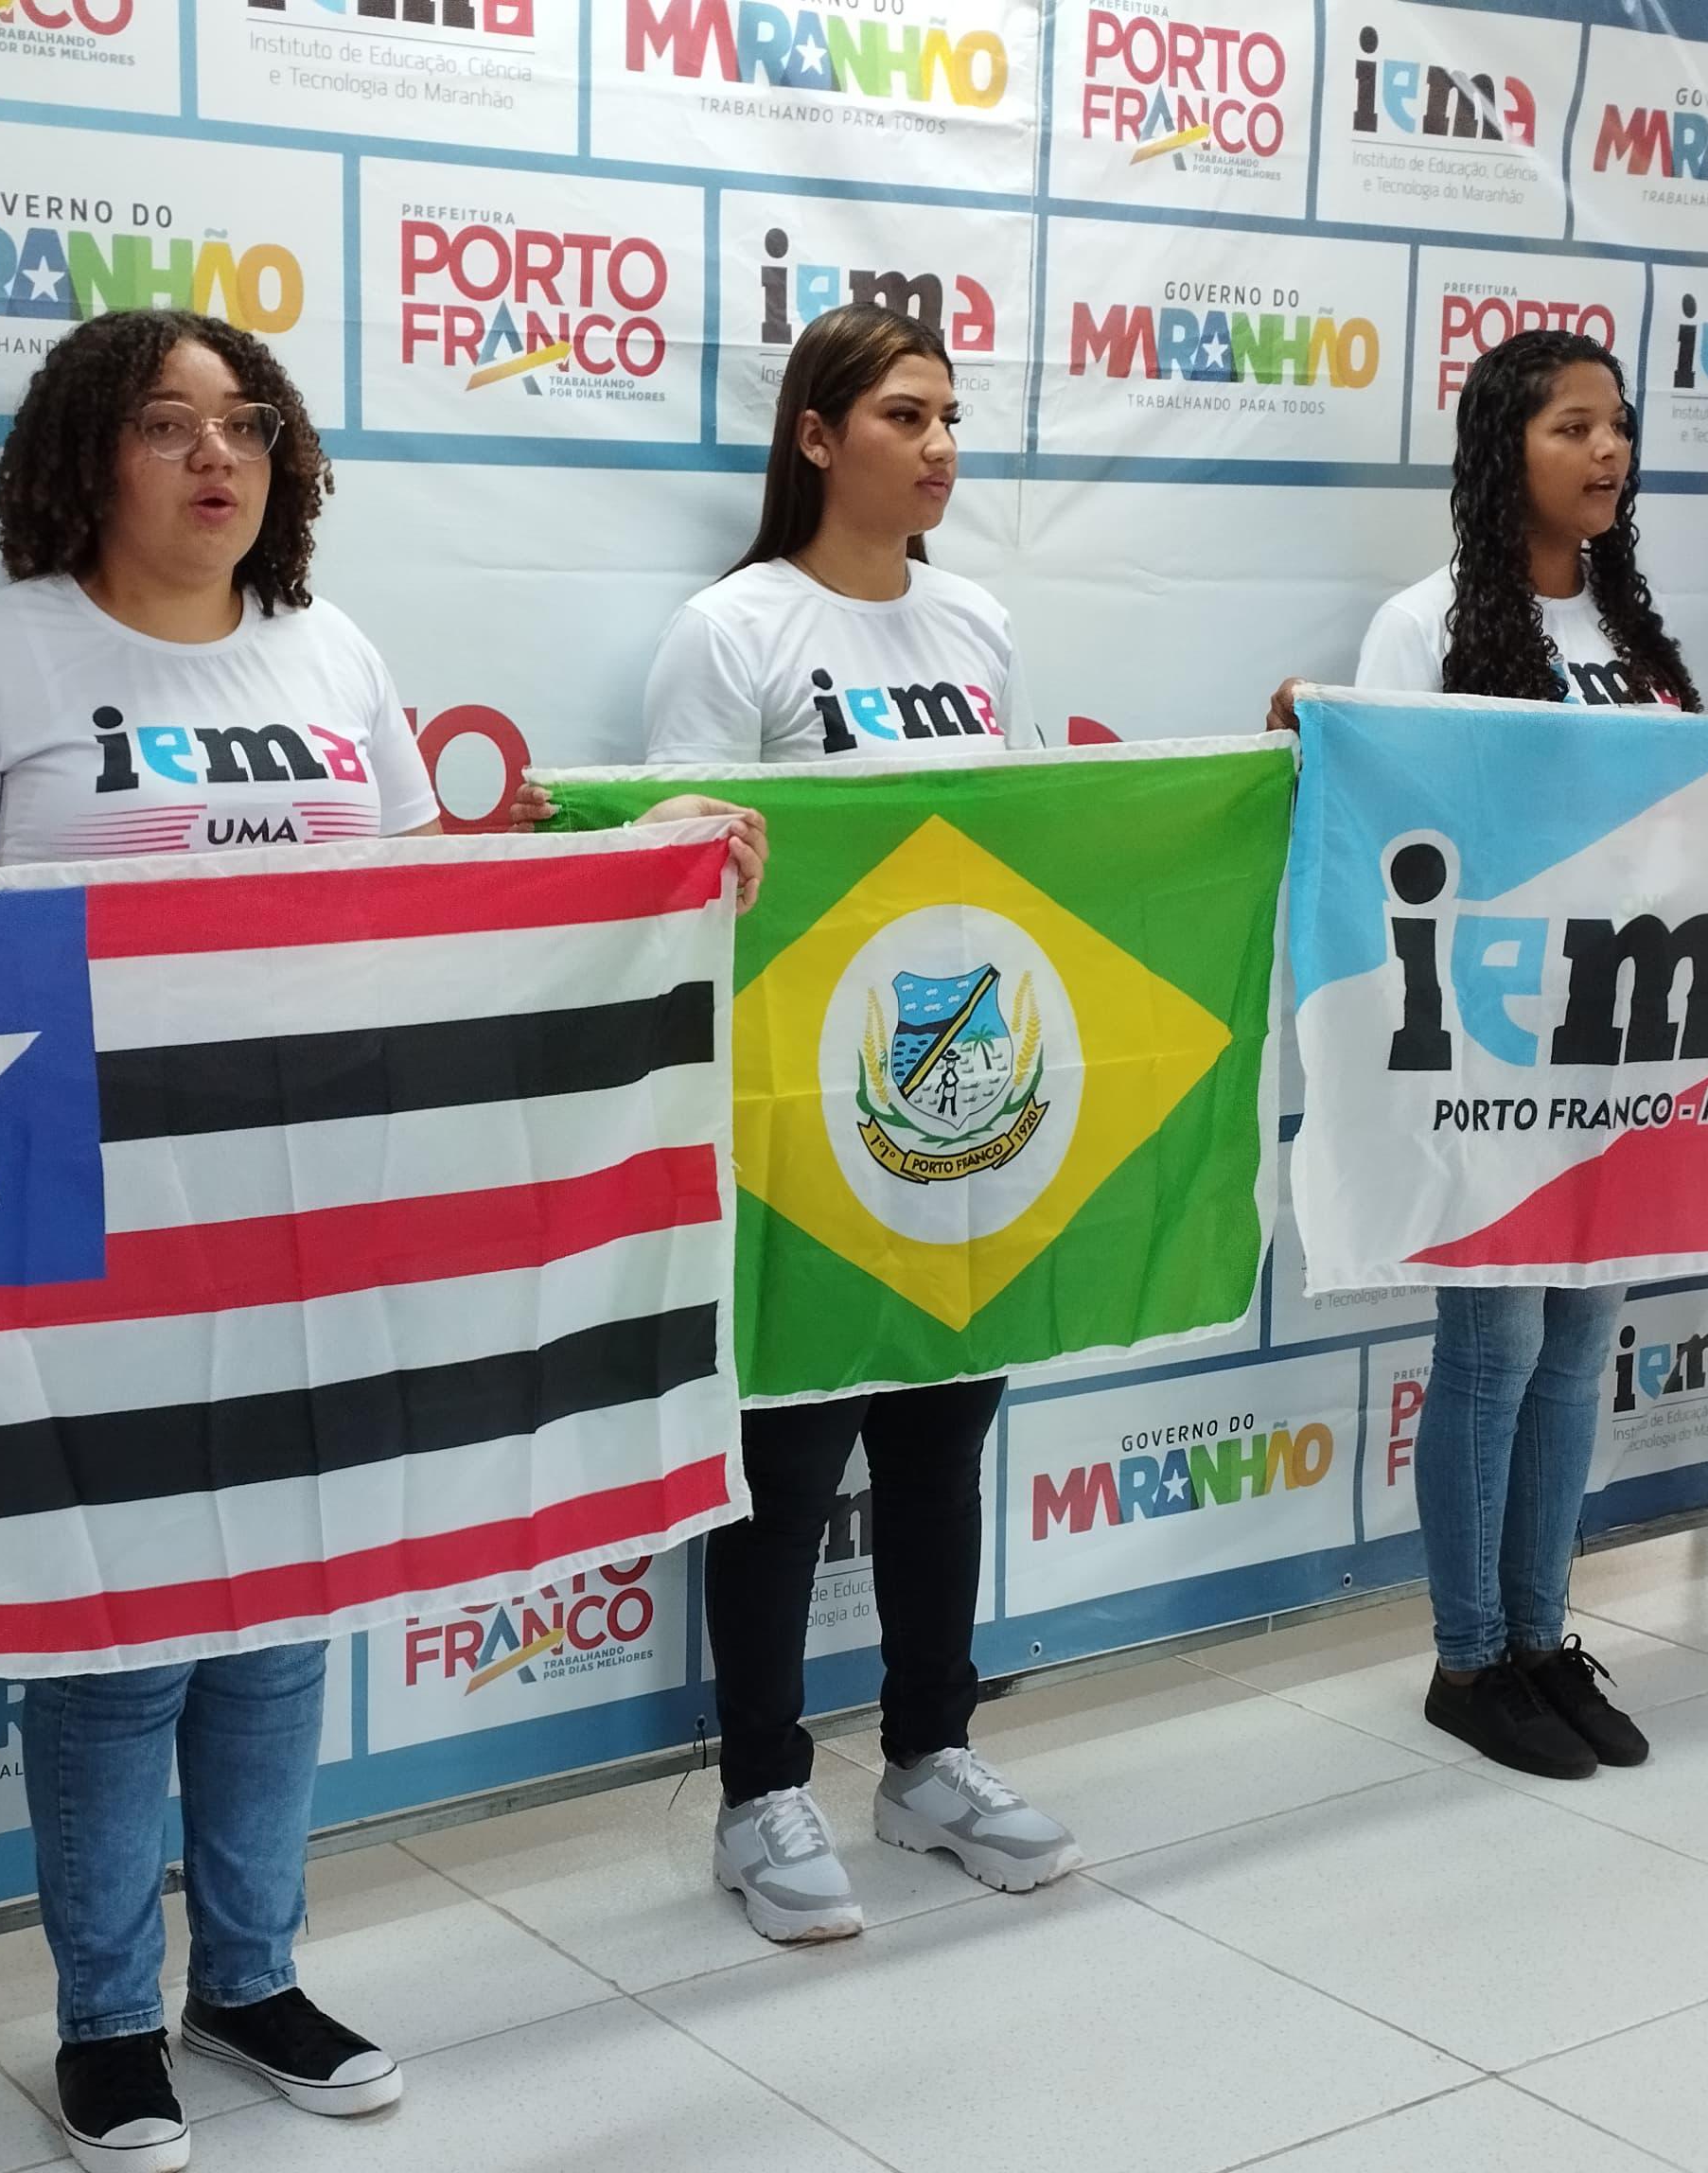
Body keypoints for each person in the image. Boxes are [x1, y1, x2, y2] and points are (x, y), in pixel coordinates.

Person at [0, 306, 750, 2173]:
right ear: (84, 456)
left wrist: (643, 859)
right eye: (170, 423)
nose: (217, 456)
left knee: (284, 1610)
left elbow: (403, 918)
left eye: (248, 425)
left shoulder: (333, 649)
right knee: (114, 1636)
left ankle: (253, 1975)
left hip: (311, 1217)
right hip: (81, 1229)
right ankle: (108, 2020)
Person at [640, 302, 1084, 1946]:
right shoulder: (734, 629)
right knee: (785, 1452)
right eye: (906, 415)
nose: (942, 445)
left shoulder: (978, 625)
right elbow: (692, 873)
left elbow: (1013, 849)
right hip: (793, 1101)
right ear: (818, 438)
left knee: (942, 1436)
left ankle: (930, 1754)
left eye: (954, 415)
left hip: (961, 1094)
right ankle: (761, 1789)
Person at [1268, 328, 1692, 1780]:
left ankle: (1539, 1637)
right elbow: (1394, 830)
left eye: (1618, 428)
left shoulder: (1632, 633)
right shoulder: (1429, 619)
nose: (1607, 453)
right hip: (1484, 1045)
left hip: (1614, 1035)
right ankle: (1466, 1659)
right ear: (1503, 445)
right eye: (1574, 427)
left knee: (1581, 1341)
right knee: (1496, 1340)